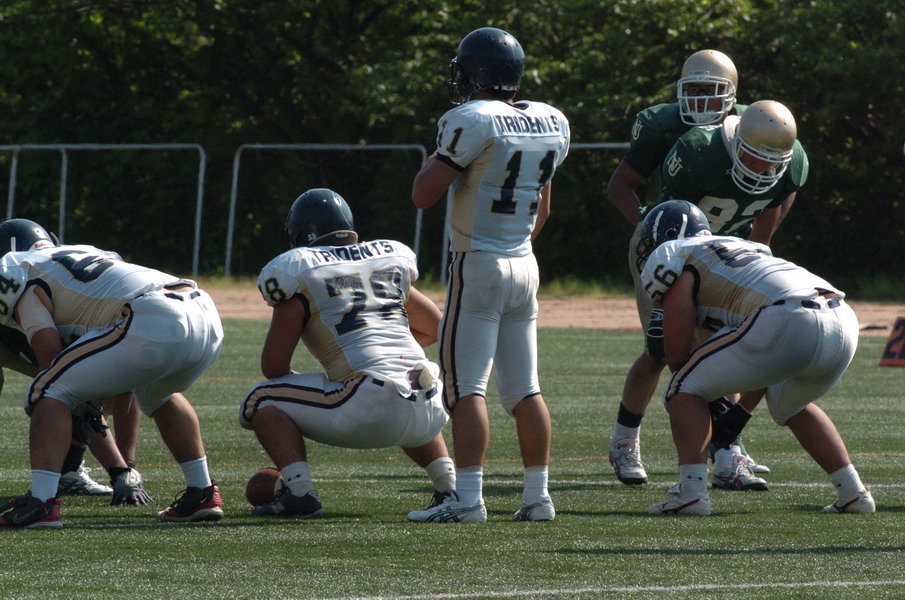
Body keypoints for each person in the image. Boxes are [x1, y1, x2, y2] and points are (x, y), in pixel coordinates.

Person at [408, 27, 569, 522]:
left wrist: (441, 158)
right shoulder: (550, 120)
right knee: (525, 389)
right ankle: (538, 498)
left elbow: (422, 194)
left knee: (465, 389)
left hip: (479, 263)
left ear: (474, 72)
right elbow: (543, 210)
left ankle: (468, 500)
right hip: (525, 263)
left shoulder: (471, 119)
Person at [637, 200, 874, 516]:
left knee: (681, 388)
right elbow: (766, 362)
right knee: (790, 404)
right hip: (842, 320)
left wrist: (708, 401)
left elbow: (677, 355)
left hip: (786, 318)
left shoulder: (677, 254)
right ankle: (853, 492)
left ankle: (691, 494)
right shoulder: (744, 248)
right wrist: (739, 412)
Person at [239, 188, 455, 519]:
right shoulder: (386, 261)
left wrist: (323, 381)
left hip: (366, 403)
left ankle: (299, 492)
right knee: (405, 383)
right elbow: (436, 327)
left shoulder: (298, 270)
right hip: (432, 402)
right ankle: (449, 487)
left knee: (261, 399)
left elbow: (274, 365)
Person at [0, 218, 223, 528]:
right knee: (158, 394)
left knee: (49, 389)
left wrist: (77, 398)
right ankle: (202, 491)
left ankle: (42, 503)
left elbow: (50, 356)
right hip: (204, 314)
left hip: (151, 314)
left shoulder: (16, 270)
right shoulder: (81, 252)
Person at [0, 324, 148, 502]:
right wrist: (119, 471)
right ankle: (48, 492)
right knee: (60, 393)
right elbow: (63, 385)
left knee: (105, 389)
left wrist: (127, 469)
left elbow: (127, 390)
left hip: (44, 334)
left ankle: (68, 469)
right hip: (28, 333)